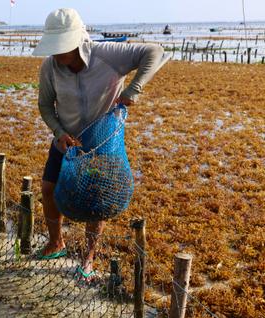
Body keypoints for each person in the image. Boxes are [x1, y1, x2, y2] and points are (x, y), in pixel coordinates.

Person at [33, 8, 166, 278]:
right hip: (66, 139)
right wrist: (59, 133)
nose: (60, 55)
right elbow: (45, 105)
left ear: (79, 40)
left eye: (64, 49)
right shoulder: (50, 66)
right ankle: (56, 242)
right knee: (48, 188)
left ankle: (88, 257)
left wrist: (133, 90)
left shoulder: (107, 55)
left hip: (101, 140)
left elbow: (154, 51)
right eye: (56, 49)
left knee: (97, 197)